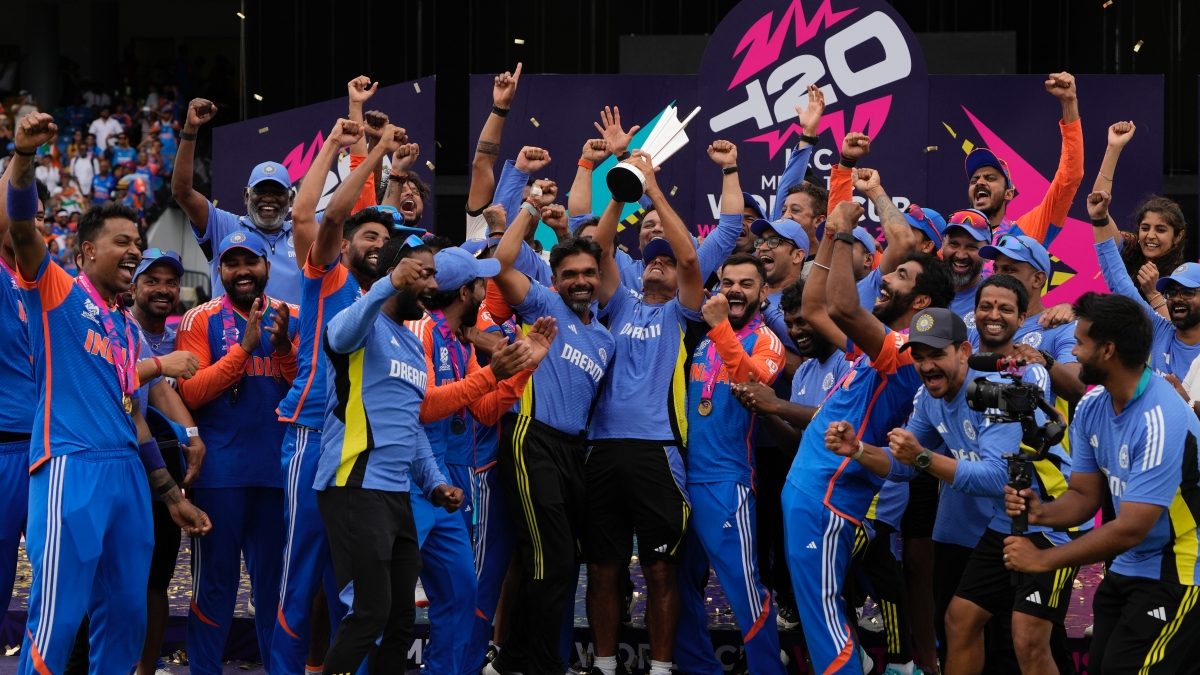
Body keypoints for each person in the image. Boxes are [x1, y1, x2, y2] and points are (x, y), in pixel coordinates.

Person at [6, 112, 209, 674]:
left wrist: (172, 498)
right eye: (121, 241)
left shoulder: (125, 327)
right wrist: (24, 157)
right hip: (71, 467)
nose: (132, 251)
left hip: (127, 475)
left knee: (126, 616)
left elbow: (136, 419)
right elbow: (22, 227)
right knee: (59, 617)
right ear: (87, 253)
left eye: (137, 243)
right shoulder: (56, 292)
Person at [833, 300, 1077, 674]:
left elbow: (996, 478)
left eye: (937, 355)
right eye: (919, 356)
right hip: (1006, 523)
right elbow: (903, 465)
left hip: (1055, 523)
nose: (927, 366)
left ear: (964, 351)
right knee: (959, 619)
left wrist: (924, 458)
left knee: (1028, 640)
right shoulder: (929, 398)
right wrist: (860, 450)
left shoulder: (995, 393)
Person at [782, 199, 954, 674]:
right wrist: (826, 241)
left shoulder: (902, 353)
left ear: (920, 303)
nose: (885, 278)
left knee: (825, 621)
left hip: (830, 495)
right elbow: (816, 306)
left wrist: (838, 234)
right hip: (814, 489)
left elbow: (840, 304)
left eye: (898, 277)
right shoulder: (879, 346)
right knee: (824, 617)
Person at [1003, 292, 1200, 673]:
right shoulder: (1093, 405)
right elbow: (1083, 496)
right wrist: (1040, 512)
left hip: (1181, 573)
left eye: (1080, 343)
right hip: (1128, 568)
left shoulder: (1160, 418)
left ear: (1108, 350)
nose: (1073, 352)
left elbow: (1130, 528)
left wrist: (1044, 559)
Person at [582, 146, 713, 675]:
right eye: (650, 257)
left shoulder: (685, 314)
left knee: (661, 569)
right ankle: (605, 665)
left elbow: (689, 259)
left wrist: (653, 187)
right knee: (604, 567)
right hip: (602, 449)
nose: (659, 262)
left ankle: (661, 669)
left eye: (665, 260)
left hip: (658, 451)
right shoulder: (618, 303)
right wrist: (621, 192)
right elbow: (598, 249)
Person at [269, 117, 393, 674]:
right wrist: (358, 149)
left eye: (386, 240)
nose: (379, 245)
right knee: (299, 575)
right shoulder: (329, 279)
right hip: (310, 433)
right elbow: (311, 213)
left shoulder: (392, 304)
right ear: (345, 245)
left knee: (354, 582)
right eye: (370, 236)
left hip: (359, 452)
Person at [485, 169, 617, 675]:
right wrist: (529, 211)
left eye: (588, 273)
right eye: (570, 275)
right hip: (529, 437)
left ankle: (517, 658)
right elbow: (499, 263)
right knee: (550, 560)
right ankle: (540, 665)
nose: (580, 281)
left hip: (573, 451)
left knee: (558, 562)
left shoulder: (605, 339)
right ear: (555, 280)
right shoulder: (544, 304)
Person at [312, 237, 463, 673]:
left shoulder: (415, 346)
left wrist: (434, 484)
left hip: (396, 497)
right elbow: (336, 337)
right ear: (397, 274)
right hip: (354, 488)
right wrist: (386, 284)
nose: (434, 284)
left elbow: (411, 427)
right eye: (423, 273)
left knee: (399, 619)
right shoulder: (362, 323)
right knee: (369, 614)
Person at [410, 245, 551, 674]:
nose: (487, 292)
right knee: (385, 600)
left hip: (451, 482)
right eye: (481, 285)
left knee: (461, 592)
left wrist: (526, 366)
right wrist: (495, 372)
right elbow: (426, 407)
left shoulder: (456, 340)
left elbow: (485, 410)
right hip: (411, 476)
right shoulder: (423, 331)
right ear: (465, 292)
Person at [176, 230, 299, 675]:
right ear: (219, 270)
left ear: (267, 265)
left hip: (278, 476)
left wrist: (283, 346)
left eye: (251, 262)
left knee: (274, 590)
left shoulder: (294, 316)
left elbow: (305, 389)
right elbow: (191, 392)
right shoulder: (199, 319)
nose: (242, 271)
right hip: (220, 478)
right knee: (214, 586)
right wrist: (243, 349)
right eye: (232, 263)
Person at [674, 252, 787, 675]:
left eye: (745, 284)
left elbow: (755, 384)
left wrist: (721, 326)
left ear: (762, 293)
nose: (735, 291)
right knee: (679, 582)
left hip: (727, 483)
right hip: (683, 477)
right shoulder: (703, 340)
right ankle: (699, 667)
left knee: (744, 589)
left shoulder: (766, 340)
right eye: (728, 283)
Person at [128, 248, 210, 675]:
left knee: (157, 576)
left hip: (166, 466)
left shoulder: (185, 333)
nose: (162, 289)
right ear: (133, 285)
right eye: (151, 280)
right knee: (112, 573)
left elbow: (164, 391)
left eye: (170, 282)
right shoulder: (116, 326)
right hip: (118, 464)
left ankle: (145, 667)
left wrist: (191, 434)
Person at [173, 97, 302, 303]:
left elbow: (354, 210)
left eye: (277, 192)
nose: (268, 199)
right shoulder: (225, 226)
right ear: (246, 195)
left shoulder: (305, 232)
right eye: (261, 191)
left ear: (291, 198)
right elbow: (182, 192)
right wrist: (190, 130)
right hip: (233, 335)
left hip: (292, 336)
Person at [1089, 190, 1200, 382]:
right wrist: (1099, 218)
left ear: (1178, 235)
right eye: (1171, 292)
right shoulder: (1160, 328)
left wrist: (1187, 403)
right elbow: (1119, 281)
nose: (1177, 298)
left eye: (1188, 292)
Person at [967, 72, 1084, 244]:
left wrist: (1069, 103)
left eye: (990, 178)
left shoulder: (1026, 232)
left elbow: (1069, 177)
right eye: (974, 179)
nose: (980, 182)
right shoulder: (955, 240)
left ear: (1009, 193)